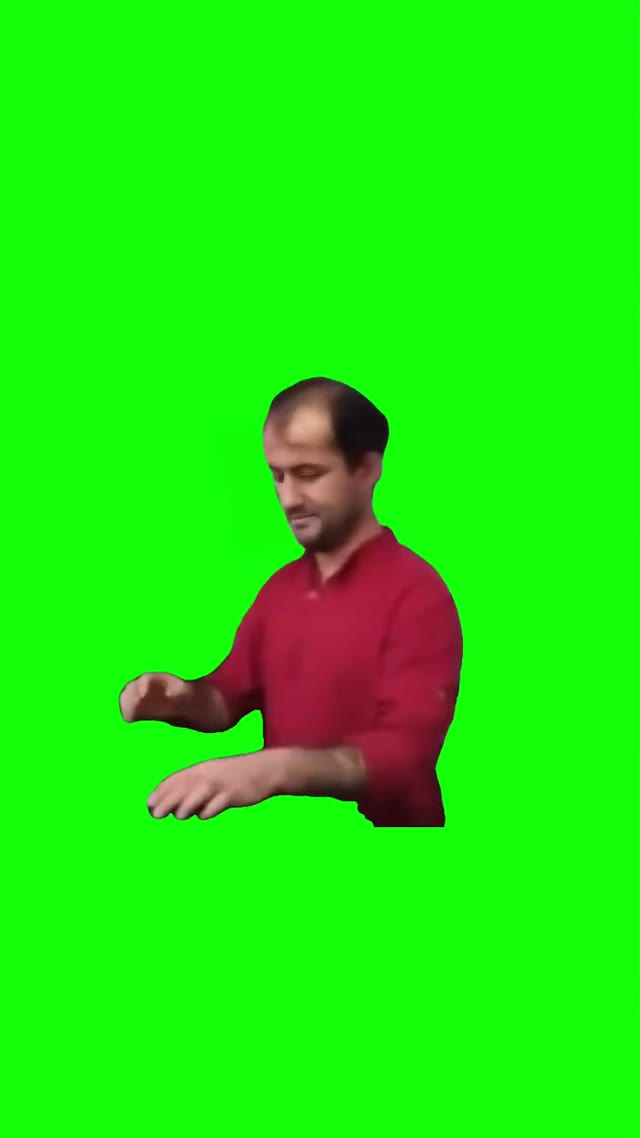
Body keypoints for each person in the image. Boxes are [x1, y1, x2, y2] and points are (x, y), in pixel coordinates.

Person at [119, 377, 464, 827]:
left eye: (308, 474)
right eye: (277, 476)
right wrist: (184, 699)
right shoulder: (280, 590)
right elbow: (229, 696)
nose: (288, 499)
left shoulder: (418, 595)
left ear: (367, 468)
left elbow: (404, 755)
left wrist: (275, 770)